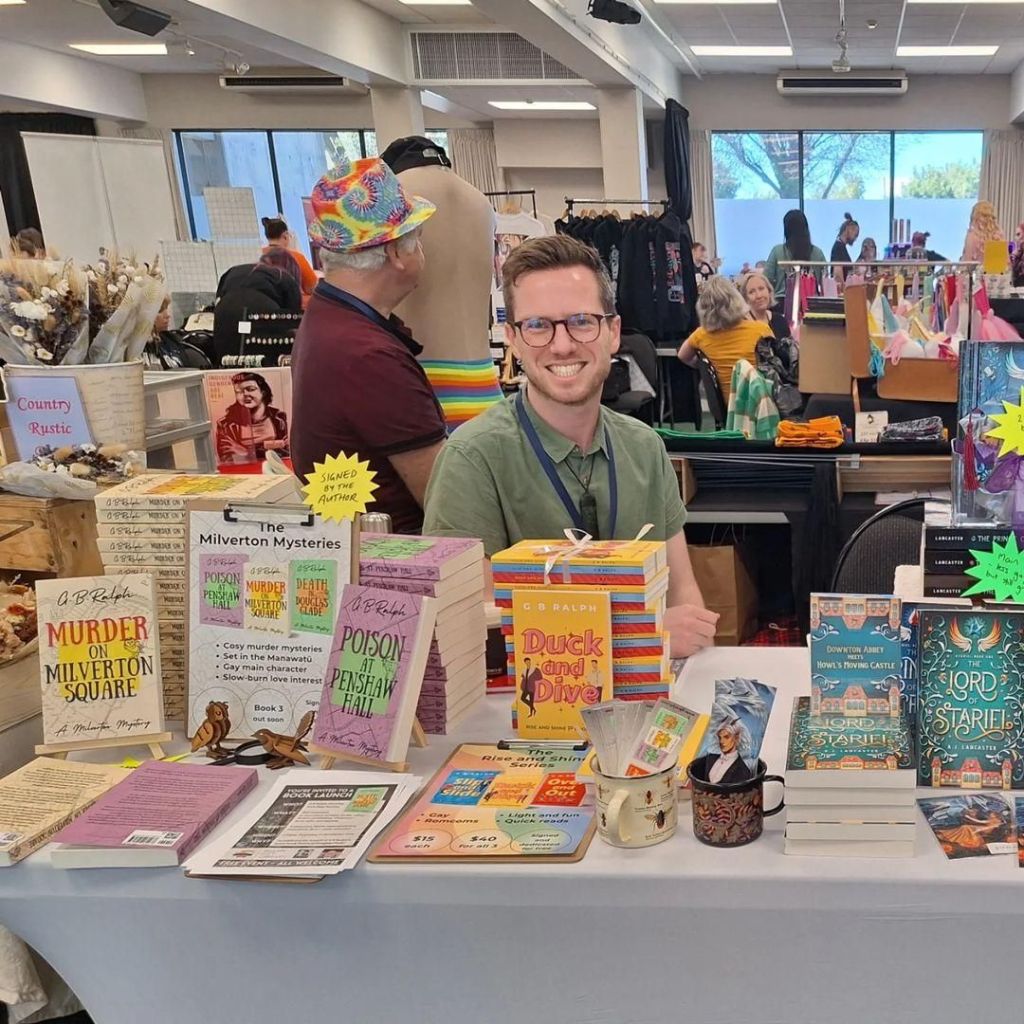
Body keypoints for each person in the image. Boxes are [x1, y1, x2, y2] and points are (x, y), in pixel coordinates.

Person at [422, 234, 717, 658]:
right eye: (539, 325)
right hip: (527, 713)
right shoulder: (472, 459)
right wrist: (639, 636)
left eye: (581, 320)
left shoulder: (645, 448)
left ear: (613, 332)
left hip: (647, 700)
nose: (562, 344)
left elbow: (683, 596)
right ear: (513, 339)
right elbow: (478, 625)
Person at [291, 157, 447, 534]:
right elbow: (445, 498)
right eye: (418, 242)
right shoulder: (370, 356)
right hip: (400, 561)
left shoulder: (327, 321)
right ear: (395, 253)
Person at [676, 275, 774, 399]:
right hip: (759, 404)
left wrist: (705, 367)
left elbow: (682, 356)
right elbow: (776, 367)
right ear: (737, 300)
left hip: (727, 406)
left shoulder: (700, 335)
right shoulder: (760, 329)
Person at [211, 252, 303, 363]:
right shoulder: (284, 277)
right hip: (261, 327)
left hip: (224, 327)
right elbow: (293, 321)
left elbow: (218, 300)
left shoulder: (231, 272)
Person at [215, 371, 289, 465]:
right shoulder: (225, 424)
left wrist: (246, 452)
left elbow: (287, 453)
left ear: (263, 392)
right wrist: (273, 445)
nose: (245, 394)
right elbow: (226, 460)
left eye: (250, 389)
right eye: (239, 392)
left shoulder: (280, 418)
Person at [763, 210, 826, 302]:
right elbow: (825, 283)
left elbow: (766, 281)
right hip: (812, 305)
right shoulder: (818, 253)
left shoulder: (777, 251)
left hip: (782, 303)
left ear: (786, 230)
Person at [262, 216, 318, 304]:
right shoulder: (296, 257)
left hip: (265, 306)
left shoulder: (257, 255)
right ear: (285, 236)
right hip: (294, 309)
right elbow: (311, 288)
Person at [689, 720, 754, 785]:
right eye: (720, 737)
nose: (721, 741)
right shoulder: (710, 758)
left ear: (736, 739)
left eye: (726, 737)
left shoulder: (742, 769)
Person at [739, 271, 788, 342]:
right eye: (751, 292)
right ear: (745, 298)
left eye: (761, 289)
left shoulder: (780, 320)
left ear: (769, 291)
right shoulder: (741, 325)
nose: (758, 295)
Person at [830, 213, 859, 286]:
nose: (855, 239)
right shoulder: (838, 248)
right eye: (855, 235)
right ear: (848, 229)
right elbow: (838, 275)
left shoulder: (841, 247)